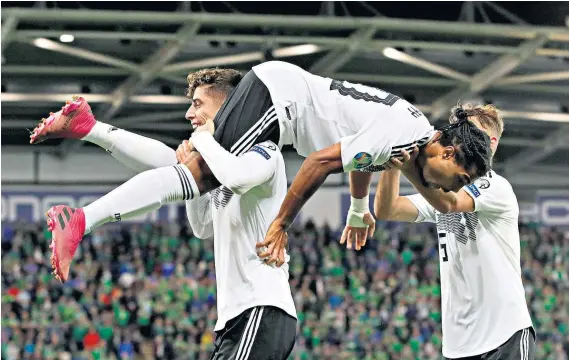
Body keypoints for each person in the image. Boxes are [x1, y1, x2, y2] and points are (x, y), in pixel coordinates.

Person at [32, 61, 492, 281]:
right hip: (279, 97)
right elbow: (320, 161)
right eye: (463, 178)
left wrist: (356, 207)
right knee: (200, 175)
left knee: (195, 177)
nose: (457, 189)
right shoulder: (404, 136)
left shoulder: (410, 134)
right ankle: (81, 220)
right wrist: (279, 225)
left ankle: (92, 127)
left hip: (281, 100)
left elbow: (358, 158)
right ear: (449, 154)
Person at [32, 69, 298, 359]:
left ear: (227, 108)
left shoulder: (264, 150)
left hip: (261, 308)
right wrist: (194, 166)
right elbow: (201, 226)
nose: (188, 114)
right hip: (238, 318)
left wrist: (204, 144)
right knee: (180, 166)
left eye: (198, 104)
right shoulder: (219, 165)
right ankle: (89, 128)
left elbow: (237, 179)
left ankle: (81, 214)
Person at [373, 104, 535, 359]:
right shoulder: (445, 187)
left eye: (469, 131)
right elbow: (388, 209)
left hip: (504, 334)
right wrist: (393, 162)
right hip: (459, 343)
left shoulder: (494, 186)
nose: (460, 137)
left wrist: (410, 166)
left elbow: (448, 204)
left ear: (490, 143)